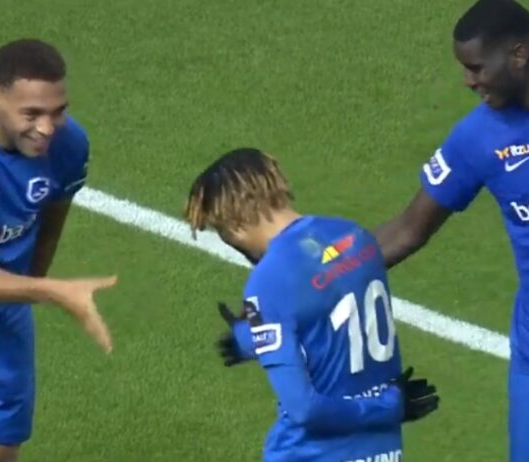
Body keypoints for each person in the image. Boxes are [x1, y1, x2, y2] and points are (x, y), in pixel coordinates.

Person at [184, 147, 439, 462]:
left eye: (221, 231)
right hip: (381, 451)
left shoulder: (269, 278)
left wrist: (389, 407)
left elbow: (304, 409)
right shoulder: (356, 237)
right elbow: (327, 310)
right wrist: (253, 339)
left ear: (234, 224)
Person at [371, 1, 529, 460]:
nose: (468, 81)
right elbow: (407, 230)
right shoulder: (477, 137)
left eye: (476, 68)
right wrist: (306, 279)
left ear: (519, 54)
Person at [0, 38, 117, 462]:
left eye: (57, 111)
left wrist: (32, 285)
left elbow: (51, 222)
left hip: (7, 306)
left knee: (5, 432)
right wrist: (53, 291)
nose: (47, 128)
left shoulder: (69, 145)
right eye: (31, 114)